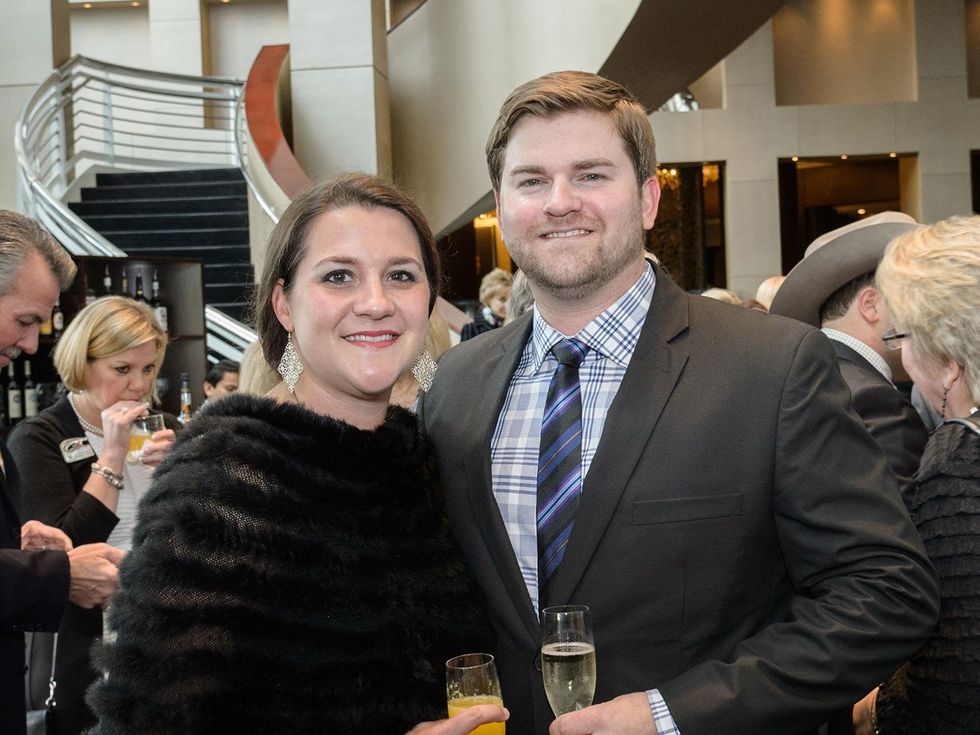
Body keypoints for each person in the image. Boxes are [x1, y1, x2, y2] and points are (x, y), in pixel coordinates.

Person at [419, 70, 939, 735]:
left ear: (648, 200)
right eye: (531, 181)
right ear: (501, 203)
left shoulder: (772, 367)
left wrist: (672, 714)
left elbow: (889, 593)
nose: (559, 202)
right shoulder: (457, 383)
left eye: (590, 175)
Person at [86, 174, 500, 735]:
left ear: (427, 299)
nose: (376, 303)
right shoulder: (225, 478)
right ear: (284, 303)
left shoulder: (421, 460)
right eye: (338, 277)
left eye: (401, 276)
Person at [8, 295, 176, 734]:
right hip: (84, 638)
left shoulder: (163, 427)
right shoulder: (40, 436)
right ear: (83, 362)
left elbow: (193, 536)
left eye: (148, 368)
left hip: (162, 626)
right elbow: (65, 546)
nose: (138, 385)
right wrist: (114, 454)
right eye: (121, 369)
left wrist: (183, 473)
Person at [852, 215, 980, 734]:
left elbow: (958, 685)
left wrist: (874, 712)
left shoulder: (960, 461)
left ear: (948, 358)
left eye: (902, 336)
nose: (902, 357)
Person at [0, 210, 123, 735]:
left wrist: (23, 548)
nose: (30, 344)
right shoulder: (39, 433)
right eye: (25, 321)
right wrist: (56, 574)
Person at [769, 213, 928, 502]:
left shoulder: (793, 376)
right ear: (871, 305)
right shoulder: (876, 401)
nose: (922, 314)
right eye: (912, 297)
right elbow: (900, 529)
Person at [460, 267, 512, 341]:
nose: (508, 305)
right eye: (502, 299)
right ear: (488, 299)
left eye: (511, 299)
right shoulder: (471, 330)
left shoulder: (519, 323)